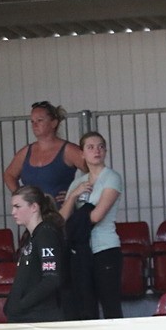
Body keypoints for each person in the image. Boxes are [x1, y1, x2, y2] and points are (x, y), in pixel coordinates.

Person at [59, 132, 124, 319]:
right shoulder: (78, 183)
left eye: (101, 146)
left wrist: (76, 218)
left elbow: (97, 215)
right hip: (82, 253)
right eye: (91, 147)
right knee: (86, 305)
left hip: (105, 247)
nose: (97, 150)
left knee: (110, 303)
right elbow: (61, 219)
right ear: (82, 153)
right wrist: (73, 195)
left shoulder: (111, 177)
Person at [2, 101, 86, 205]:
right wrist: (20, 196)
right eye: (32, 121)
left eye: (39, 120)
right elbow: (9, 175)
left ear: (53, 123)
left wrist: (76, 194)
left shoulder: (68, 150)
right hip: (32, 217)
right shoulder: (26, 152)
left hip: (61, 216)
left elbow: (97, 172)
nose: (35, 125)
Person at [4, 186, 65, 324]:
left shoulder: (46, 233)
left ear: (34, 207)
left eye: (17, 206)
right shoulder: (31, 237)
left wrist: (21, 305)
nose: (13, 212)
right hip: (25, 318)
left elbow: (51, 279)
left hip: (38, 319)